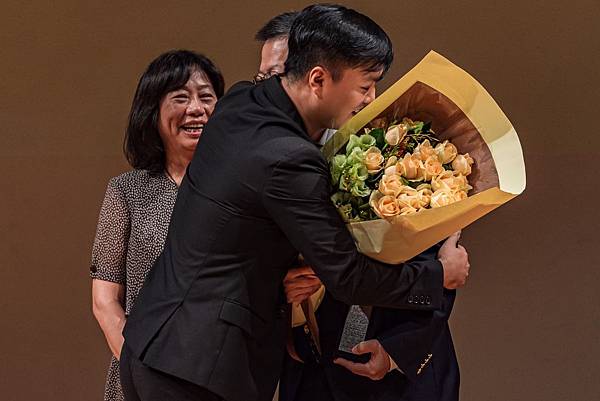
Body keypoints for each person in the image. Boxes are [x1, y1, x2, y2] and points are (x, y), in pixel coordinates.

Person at [120, 5, 470, 401]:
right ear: (318, 78)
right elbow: (349, 276)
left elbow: (244, 229)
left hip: (155, 345)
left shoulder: (238, 104)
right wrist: (440, 276)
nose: (370, 99)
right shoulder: (289, 157)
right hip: (200, 367)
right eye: (364, 86)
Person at [254, 11, 462, 401]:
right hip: (308, 374)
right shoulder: (259, 163)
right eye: (263, 78)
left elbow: (442, 260)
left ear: (316, 74)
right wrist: (280, 288)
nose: (271, 90)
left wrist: (397, 349)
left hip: (398, 378)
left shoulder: (386, 146)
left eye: (279, 75)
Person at [90, 50, 224, 401]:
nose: (197, 108)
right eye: (181, 97)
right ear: (153, 110)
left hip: (219, 377)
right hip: (139, 377)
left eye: (207, 97)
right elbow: (104, 300)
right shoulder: (127, 190)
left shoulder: (238, 189)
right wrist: (139, 367)